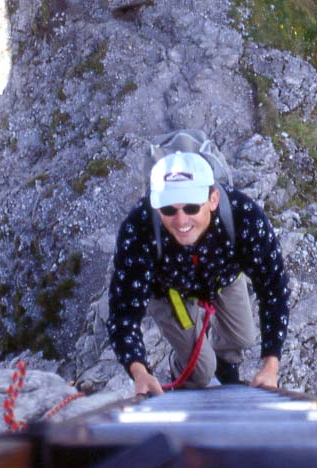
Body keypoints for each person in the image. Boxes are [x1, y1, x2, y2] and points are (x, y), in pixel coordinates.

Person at [106, 143, 290, 395]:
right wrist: (140, 371)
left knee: (243, 338)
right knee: (201, 371)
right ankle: (182, 370)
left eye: (192, 207)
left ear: (212, 199)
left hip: (224, 277)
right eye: (169, 209)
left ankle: (226, 368)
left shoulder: (244, 217)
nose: (181, 221)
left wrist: (271, 365)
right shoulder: (139, 228)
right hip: (171, 292)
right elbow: (123, 310)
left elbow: (274, 289)